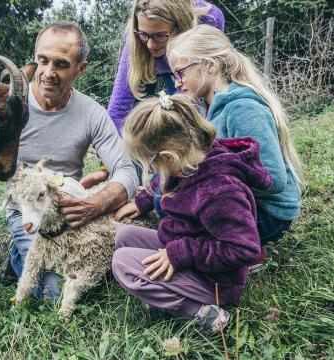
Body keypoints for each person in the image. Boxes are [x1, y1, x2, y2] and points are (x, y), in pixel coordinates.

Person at [0, 22, 138, 300]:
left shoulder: (91, 113)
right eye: (42, 61)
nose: (48, 73)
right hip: (26, 212)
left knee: (106, 272)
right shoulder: (10, 105)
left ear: (80, 69)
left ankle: (23, 256)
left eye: (61, 64)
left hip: (70, 210)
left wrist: (96, 203)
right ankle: (18, 256)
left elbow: (126, 170)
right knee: (54, 292)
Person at [112, 92, 271, 332]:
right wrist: (143, 201)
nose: (153, 170)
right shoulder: (193, 157)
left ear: (168, 157)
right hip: (189, 250)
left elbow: (244, 249)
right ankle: (166, 285)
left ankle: (201, 313)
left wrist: (181, 253)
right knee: (124, 238)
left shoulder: (220, 191)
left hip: (215, 281)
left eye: (152, 164)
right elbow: (164, 181)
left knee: (122, 264)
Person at [165, 25, 303, 247]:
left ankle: (236, 257)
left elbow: (274, 180)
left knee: (178, 213)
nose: (177, 82)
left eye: (181, 73)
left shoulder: (243, 110)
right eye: (174, 76)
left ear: (210, 65)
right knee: (167, 204)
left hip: (268, 215)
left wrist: (205, 180)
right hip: (240, 202)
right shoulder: (204, 108)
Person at [82, 0, 224, 188]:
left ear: (180, 25)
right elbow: (119, 106)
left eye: (159, 35)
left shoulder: (209, 18)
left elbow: (203, 102)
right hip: (154, 70)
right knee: (138, 127)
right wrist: (107, 165)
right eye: (144, 34)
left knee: (187, 122)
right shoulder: (138, 41)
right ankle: (144, 181)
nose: (150, 44)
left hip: (189, 69)